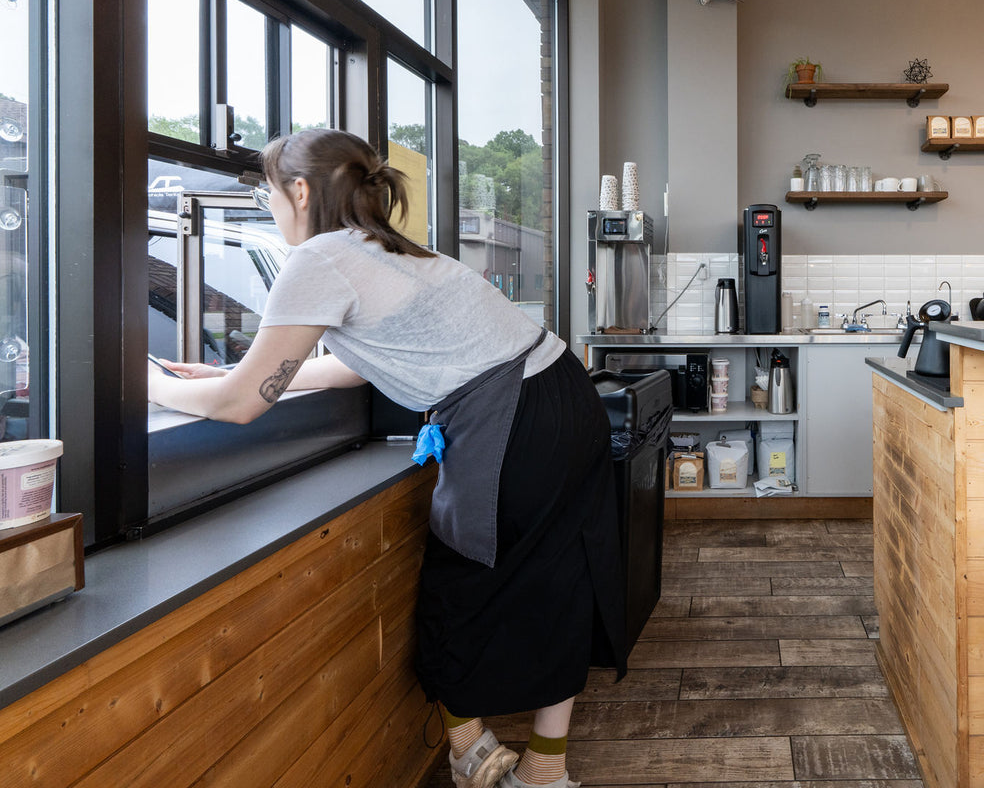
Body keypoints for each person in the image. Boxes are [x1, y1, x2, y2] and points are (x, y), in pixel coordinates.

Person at [148, 129, 626, 788]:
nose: (268, 207)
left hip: (512, 419)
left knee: (458, 591)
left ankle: (472, 749)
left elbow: (242, 406)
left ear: (302, 190)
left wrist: (151, 386)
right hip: (564, 397)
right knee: (562, 573)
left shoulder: (320, 258)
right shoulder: (388, 248)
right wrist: (222, 376)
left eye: (267, 192)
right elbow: (348, 366)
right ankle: (545, 767)